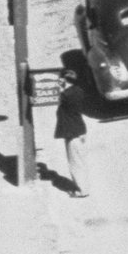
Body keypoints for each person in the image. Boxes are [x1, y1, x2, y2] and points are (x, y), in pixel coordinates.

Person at [52, 68, 89, 197]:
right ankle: (82, 187)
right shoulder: (79, 91)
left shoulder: (66, 95)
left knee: (75, 162)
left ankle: (81, 190)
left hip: (72, 132)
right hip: (79, 130)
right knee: (79, 160)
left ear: (64, 79)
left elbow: (63, 99)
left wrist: (61, 89)